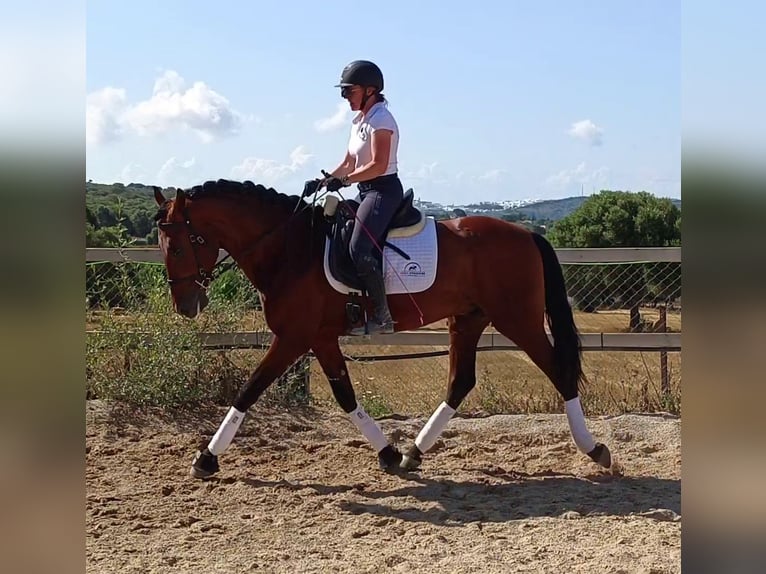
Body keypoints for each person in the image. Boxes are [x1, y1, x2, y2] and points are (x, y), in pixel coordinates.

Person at [303, 60, 403, 335]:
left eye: (349, 91)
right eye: (343, 92)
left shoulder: (381, 120)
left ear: (370, 91)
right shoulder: (360, 121)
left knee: (360, 248)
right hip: (366, 190)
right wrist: (323, 181)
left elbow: (379, 165)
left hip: (383, 190)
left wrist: (344, 181)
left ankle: (383, 317)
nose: (345, 97)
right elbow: (348, 161)